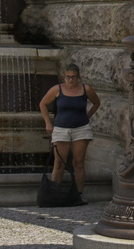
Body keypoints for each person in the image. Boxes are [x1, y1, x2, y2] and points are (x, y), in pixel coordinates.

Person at [39, 63, 100, 201]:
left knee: (78, 163)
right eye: (67, 77)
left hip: (81, 129)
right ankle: (54, 195)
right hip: (61, 128)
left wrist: (87, 116)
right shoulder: (57, 89)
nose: (70, 80)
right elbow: (43, 104)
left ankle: (79, 194)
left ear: (78, 77)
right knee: (59, 163)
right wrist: (48, 122)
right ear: (64, 77)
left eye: (73, 77)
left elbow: (97, 103)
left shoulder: (86, 89)